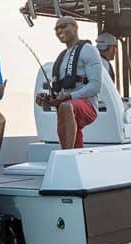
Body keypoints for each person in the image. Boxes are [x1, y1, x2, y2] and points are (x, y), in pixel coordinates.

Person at [34, 16, 101, 149]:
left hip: (87, 106)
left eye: (64, 26)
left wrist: (70, 97)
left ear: (75, 28)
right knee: (63, 107)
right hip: (67, 107)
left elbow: (95, 86)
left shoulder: (88, 50)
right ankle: (73, 156)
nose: (59, 30)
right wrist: (47, 100)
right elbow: (59, 92)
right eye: (56, 28)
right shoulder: (62, 56)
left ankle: (67, 154)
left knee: (65, 106)